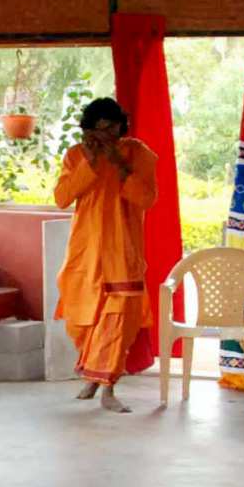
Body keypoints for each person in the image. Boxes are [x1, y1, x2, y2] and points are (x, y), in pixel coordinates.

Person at [51, 96, 159, 411]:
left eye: (111, 129)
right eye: (99, 130)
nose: (106, 136)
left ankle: (108, 388)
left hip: (123, 253)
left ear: (121, 128)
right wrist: (90, 161)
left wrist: (118, 164)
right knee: (83, 321)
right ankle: (92, 377)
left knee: (117, 323)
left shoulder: (137, 153)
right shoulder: (76, 155)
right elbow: (62, 197)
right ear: (88, 131)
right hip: (85, 254)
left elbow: (146, 198)